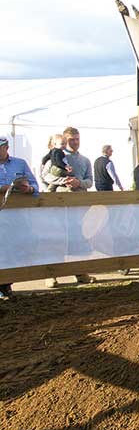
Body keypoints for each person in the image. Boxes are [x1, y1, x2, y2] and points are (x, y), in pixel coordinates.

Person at [42, 127, 96, 286]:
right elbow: (45, 175)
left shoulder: (85, 160)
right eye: (72, 140)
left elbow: (90, 181)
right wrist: (63, 181)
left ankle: (80, 272)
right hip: (59, 202)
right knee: (57, 238)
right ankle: (51, 275)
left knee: (78, 239)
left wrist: (79, 182)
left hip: (79, 203)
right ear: (65, 141)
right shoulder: (56, 156)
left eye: (77, 139)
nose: (75, 142)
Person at [0, 135, 38, 300]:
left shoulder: (20, 163)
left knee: (17, 246)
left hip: (17, 216)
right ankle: (4, 286)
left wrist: (29, 189)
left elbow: (35, 184)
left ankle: (7, 283)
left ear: (6, 147)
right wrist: (3, 188)